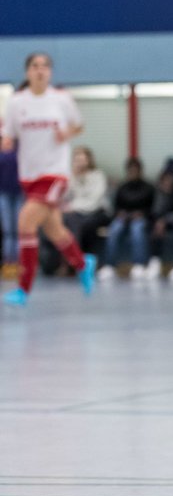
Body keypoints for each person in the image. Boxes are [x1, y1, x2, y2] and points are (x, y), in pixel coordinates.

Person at [0, 53, 96, 307]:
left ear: (50, 72)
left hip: (55, 174)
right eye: (35, 66)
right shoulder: (17, 102)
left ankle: (23, 289)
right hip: (29, 176)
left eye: (45, 66)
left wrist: (67, 132)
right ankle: (83, 263)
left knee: (25, 222)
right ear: (27, 72)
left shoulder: (61, 99)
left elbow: (78, 125)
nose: (40, 71)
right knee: (54, 229)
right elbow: (9, 135)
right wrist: (6, 141)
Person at [99, 157, 156, 280]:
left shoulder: (148, 188)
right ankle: (109, 265)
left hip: (141, 218)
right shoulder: (122, 188)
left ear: (140, 171)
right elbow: (115, 207)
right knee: (114, 230)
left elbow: (153, 208)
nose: (133, 172)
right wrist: (119, 214)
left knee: (137, 230)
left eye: (135, 170)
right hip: (123, 217)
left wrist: (142, 213)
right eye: (130, 170)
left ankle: (139, 265)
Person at [59, 146, 111, 263]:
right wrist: (72, 177)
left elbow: (94, 200)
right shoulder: (72, 176)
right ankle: (71, 260)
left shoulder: (98, 176)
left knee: (79, 224)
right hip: (77, 213)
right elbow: (64, 197)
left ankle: (76, 261)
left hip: (97, 212)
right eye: (77, 160)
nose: (80, 163)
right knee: (65, 221)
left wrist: (72, 206)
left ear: (89, 161)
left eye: (82, 160)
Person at [0, 137, 22, 281]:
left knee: (19, 231)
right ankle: (9, 262)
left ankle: (19, 263)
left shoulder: (20, 155)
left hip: (20, 194)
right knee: (8, 231)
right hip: (4, 195)